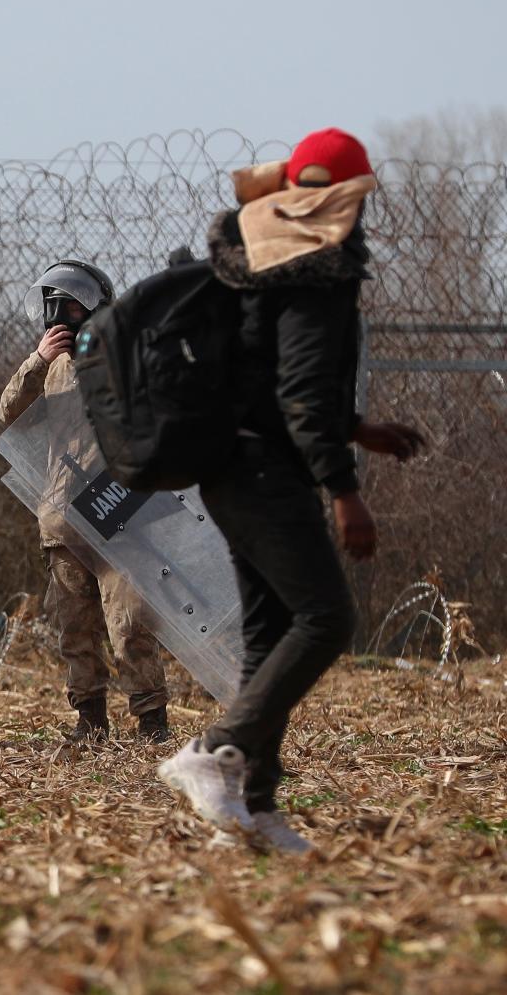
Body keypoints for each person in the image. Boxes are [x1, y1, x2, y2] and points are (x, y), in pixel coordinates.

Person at [157, 128, 426, 854]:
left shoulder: (260, 262)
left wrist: (359, 425)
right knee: (327, 617)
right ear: (341, 202)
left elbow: (274, 382)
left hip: (232, 468)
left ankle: (252, 811)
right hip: (266, 473)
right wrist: (345, 489)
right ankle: (215, 751)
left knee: (271, 634)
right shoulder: (317, 270)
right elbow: (303, 390)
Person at [0, 260, 171, 743]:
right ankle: (89, 719)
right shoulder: (51, 369)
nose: (61, 317)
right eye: (54, 308)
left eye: (71, 306)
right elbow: (9, 415)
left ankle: (151, 720)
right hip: (62, 518)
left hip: (119, 511)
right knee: (74, 627)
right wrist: (38, 360)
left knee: (131, 621)